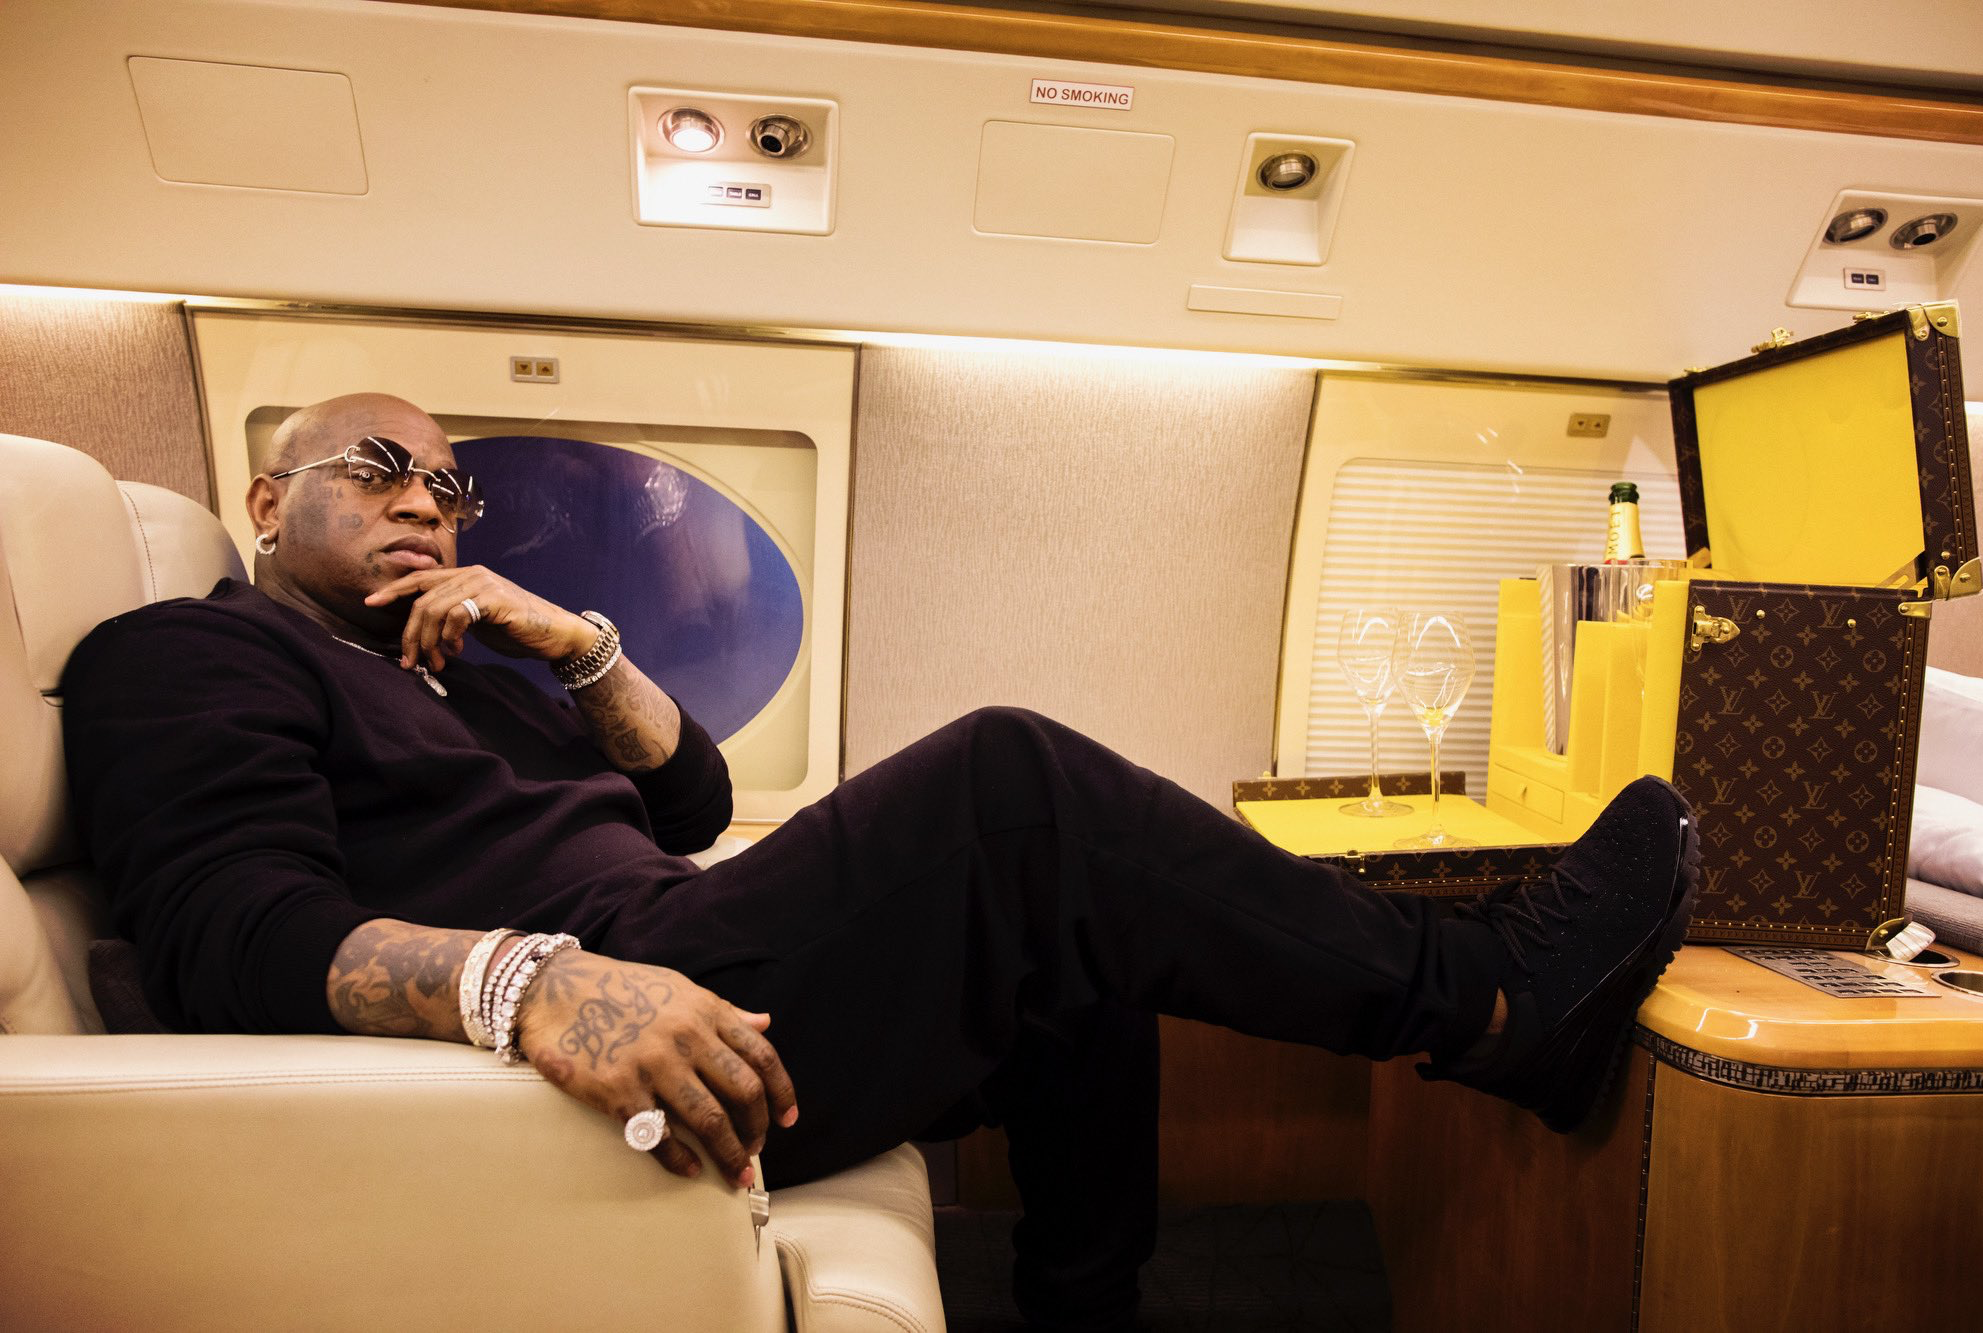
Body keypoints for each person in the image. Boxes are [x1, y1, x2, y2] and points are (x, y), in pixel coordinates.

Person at [62, 393, 1702, 1332]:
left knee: (1073, 938)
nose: (426, 499)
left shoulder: (471, 666)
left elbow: (692, 799)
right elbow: (226, 927)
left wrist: (571, 643)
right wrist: (531, 984)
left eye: (447, 482)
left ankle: (1085, 1310)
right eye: (377, 469)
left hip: (673, 929)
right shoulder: (184, 653)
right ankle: (1493, 1003)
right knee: (1012, 786)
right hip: (587, 1035)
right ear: (266, 497)